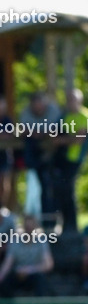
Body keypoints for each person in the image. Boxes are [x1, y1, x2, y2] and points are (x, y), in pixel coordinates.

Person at [0, 215, 54, 304]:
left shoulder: (41, 241)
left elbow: (48, 264)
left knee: (41, 279)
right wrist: (0, 276)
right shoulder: (15, 241)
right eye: (27, 227)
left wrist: (30, 270)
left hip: (34, 275)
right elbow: (8, 263)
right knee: (2, 284)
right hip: (18, 276)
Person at [56, 89, 88, 233]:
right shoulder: (64, 116)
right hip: (63, 159)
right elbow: (54, 138)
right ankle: (65, 223)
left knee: (69, 190)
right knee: (62, 191)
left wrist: (65, 140)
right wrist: (69, 139)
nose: (71, 103)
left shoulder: (84, 116)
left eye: (73, 100)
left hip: (76, 159)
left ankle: (73, 225)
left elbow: (79, 140)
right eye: (69, 100)